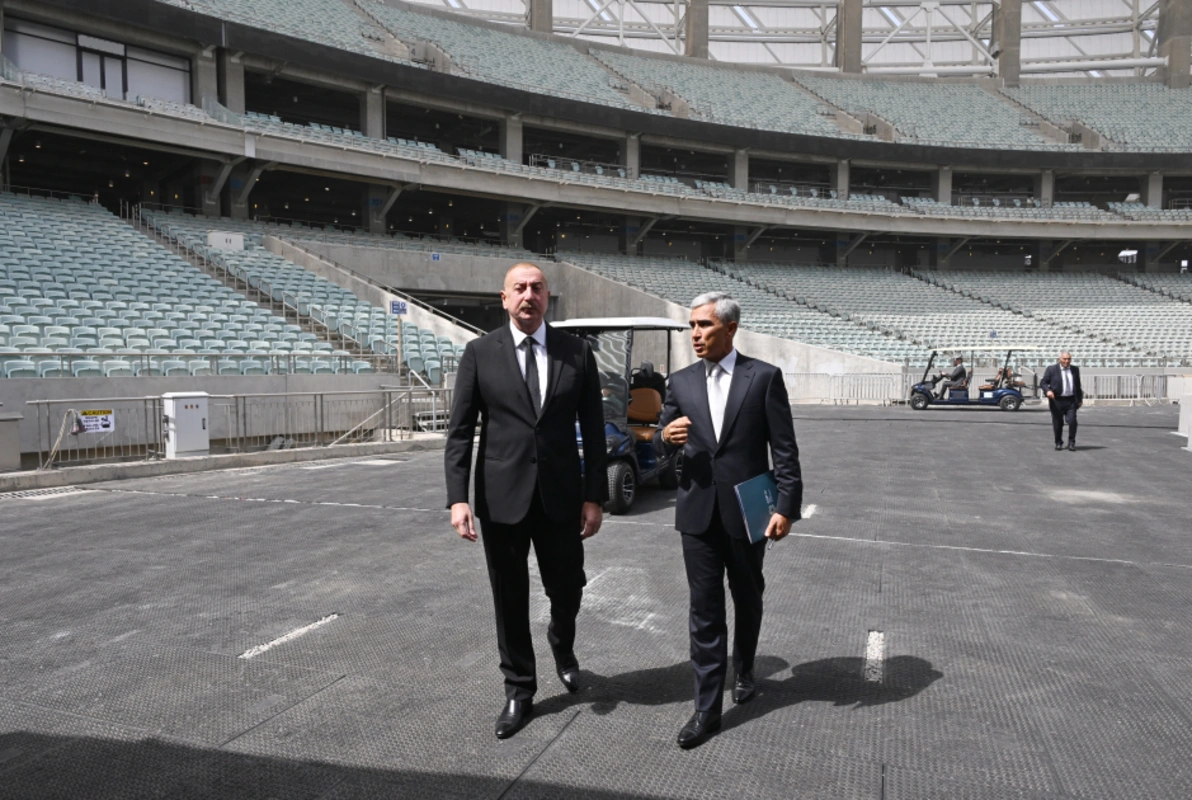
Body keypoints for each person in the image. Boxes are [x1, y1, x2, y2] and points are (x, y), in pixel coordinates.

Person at [444, 262, 608, 740]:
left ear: (547, 296)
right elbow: (459, 433)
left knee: (569, 587)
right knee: (509, 596)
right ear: (504, 297)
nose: (528, 296)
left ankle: (562, 640)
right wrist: (458, 499)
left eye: (537, 288)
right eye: (520, 288)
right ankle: (519, 688)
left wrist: (594, 496)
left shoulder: (575, 352)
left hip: (561, 497)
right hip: (501, 498)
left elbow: (595, 432)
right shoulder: (479, 353)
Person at [654, 291, 803, 749]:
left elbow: (784, 449)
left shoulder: (763, 378)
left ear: (730, 329)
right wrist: (665, 437)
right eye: (692, 327)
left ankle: (746, 667)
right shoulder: (679, 383)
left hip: (747, 511)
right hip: (697, 512)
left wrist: (786, 505)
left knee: (748, 594)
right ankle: (706, 709)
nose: (695, 335)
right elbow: (662, 449)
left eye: (704, 326)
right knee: (704, 611)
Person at [1039, 351, 1083, 451]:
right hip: (1057, 400)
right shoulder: (1052, 369)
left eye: (1069, 359)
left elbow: (1077, 385)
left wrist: (1079, 399)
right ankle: (1058, 442)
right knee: (1058, 423)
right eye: (1065, 359)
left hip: (1071, 400)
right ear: (1060, 359)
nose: (1067, 361)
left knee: (1072, 422)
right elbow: (1043, 382)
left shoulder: (1075, 369)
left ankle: (1071, 442)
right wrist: (1048, 391)